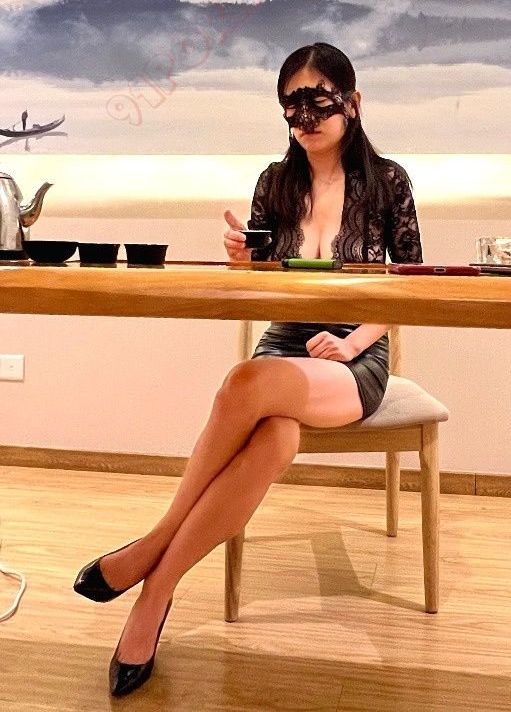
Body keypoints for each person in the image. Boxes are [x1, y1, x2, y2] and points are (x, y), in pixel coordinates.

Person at [72, 41, 423, 697]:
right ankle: (156, 595)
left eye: (318, 100)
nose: (304, 116)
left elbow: (408, 286)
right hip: (285, 342)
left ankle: (151, 550)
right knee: (275, 435)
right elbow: (264, 287)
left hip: (354, 358)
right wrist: (244, 261)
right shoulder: (275, 183)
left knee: (244, 381)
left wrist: (353, 344)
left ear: (352, 102)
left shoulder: (388, 182)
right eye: (292, 104)